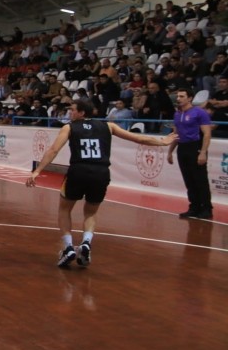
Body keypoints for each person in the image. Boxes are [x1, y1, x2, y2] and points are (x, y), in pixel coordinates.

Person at [26, 100, 177, 268]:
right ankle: (86, 243)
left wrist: (37, 170)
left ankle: (68, 247)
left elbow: (54, 150)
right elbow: (137, 138)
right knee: (91, 213)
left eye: (73, 110)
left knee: (64, 209)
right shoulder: (109, 126)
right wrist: (162, 141)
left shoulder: (69, 127)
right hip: (101, 173)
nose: (70, 113)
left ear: (82, 113)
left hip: (78, 171)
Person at [168, 88, 213, 219]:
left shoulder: (199, 112)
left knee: (200, 179)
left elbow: (207, 134)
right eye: (178, 96)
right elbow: (176, 134)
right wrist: (170, 151)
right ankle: (194, 207)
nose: (178, 99)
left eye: (182, 96)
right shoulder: (177, 114)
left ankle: (206, 208)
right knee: (188, 179)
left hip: (195, 146)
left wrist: (203, 152)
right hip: (182, 147)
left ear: (190, 98)